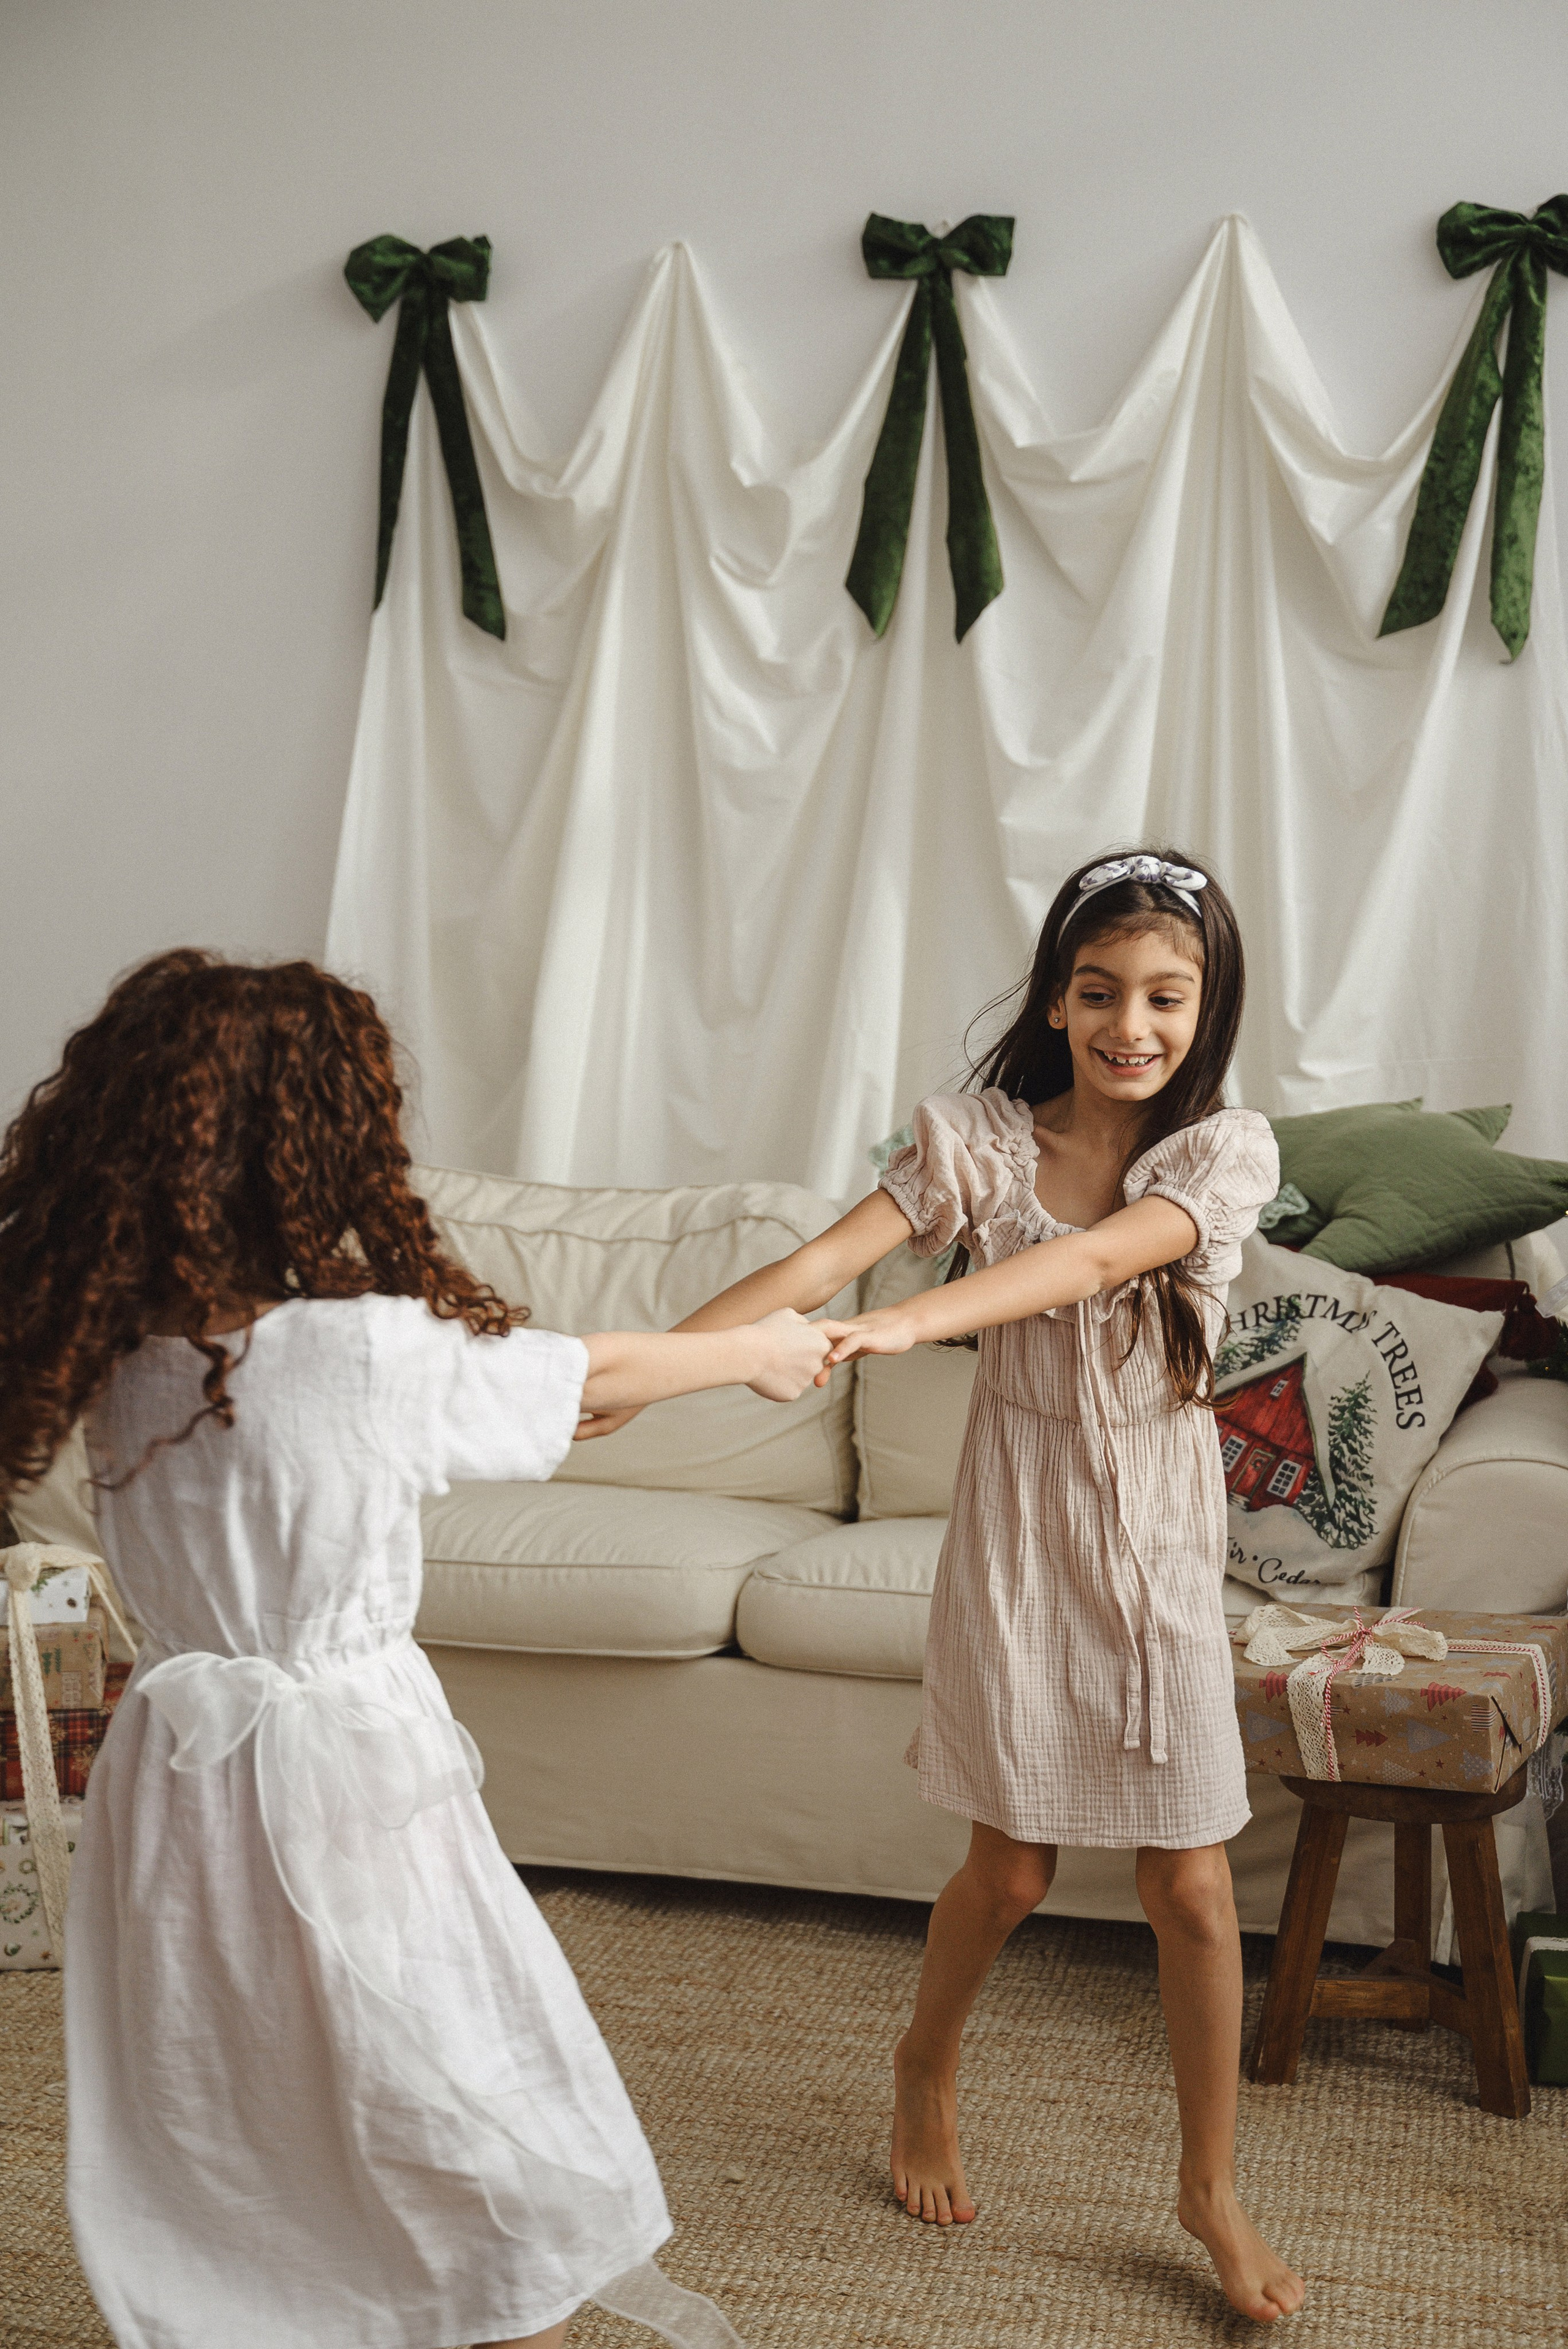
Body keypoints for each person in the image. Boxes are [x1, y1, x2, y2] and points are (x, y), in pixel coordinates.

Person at [0, 949, 834, 2349]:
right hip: (345, 1757)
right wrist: (754, 1351)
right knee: (438, 2045)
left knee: (230, 2048)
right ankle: (487, 2300)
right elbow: (589, 1380)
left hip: (178, 1761)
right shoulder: (367, 1348)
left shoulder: (104, 1334)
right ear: (331, 1141)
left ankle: (260, 2295)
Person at [591, 850, 1306, 2324]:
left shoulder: (1222, 1153)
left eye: (1164, 996)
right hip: (1017, 1532)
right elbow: (814, 1261)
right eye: (1098, 990)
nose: (1129, 1024)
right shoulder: (974, 1143)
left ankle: (1207, 2189)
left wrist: (910, 1322)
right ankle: (923, 2061)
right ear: (1055, 996)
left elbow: (1105, 1258)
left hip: (1158, 1535)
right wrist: (641, 1376)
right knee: (1015, 1870)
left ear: (1205, 1007)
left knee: (1189, 1885)